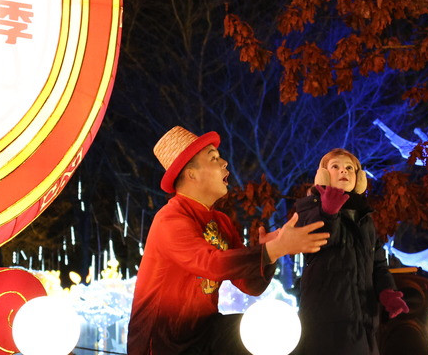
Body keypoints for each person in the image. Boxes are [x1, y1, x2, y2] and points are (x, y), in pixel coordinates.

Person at [127, 126, 330, 355]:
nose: (224, 162)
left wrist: (272, 252)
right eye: (213, 158)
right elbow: (210, 264)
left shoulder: (221, 221)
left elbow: (250, 286)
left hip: (205, 333)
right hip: (162, 343)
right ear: (190, 173)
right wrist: (272, 250)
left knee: (266, 331)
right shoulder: (170, 218)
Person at [293, 148, 409, 355]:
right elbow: (317, 242)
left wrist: (387, 292)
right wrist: (328, 213)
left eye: (349, 168)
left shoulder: (364, 218)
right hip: (326, 324)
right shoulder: (311, 209)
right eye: (335, 167)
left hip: (365, 320)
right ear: (324, 175)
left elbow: (378, 264)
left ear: (359, 178)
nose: (343, 171)